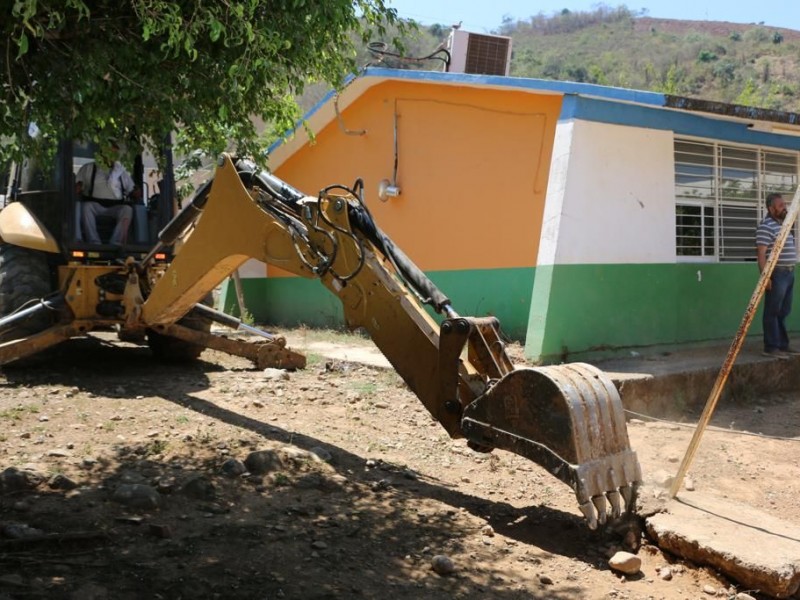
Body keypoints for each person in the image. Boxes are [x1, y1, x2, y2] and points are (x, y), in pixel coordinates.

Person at [756, 192, 799, 358]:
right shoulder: (766, 226)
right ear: (771, 208)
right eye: (781, 206)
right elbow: (761, 254)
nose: (784, 208)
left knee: (784, 310)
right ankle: (771, 347)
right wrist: (765, 277)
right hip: (778, 273)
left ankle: (782, 344)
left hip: (789, 272)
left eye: (784, 205)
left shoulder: (784, 225)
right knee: (772, 311)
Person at [75, 141, 139, 246]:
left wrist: (136, 192)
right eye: (110, 153)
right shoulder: (88, 168)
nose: (112, 156)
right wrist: (78, 187)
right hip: (95, 204)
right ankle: (94, 242)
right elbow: (78, 187)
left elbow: (132, 191)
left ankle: (116, 242)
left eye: (115, 154)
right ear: (102, 153)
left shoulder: (121, 172)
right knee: (86, 207)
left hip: (116, 206)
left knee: (127, 210)